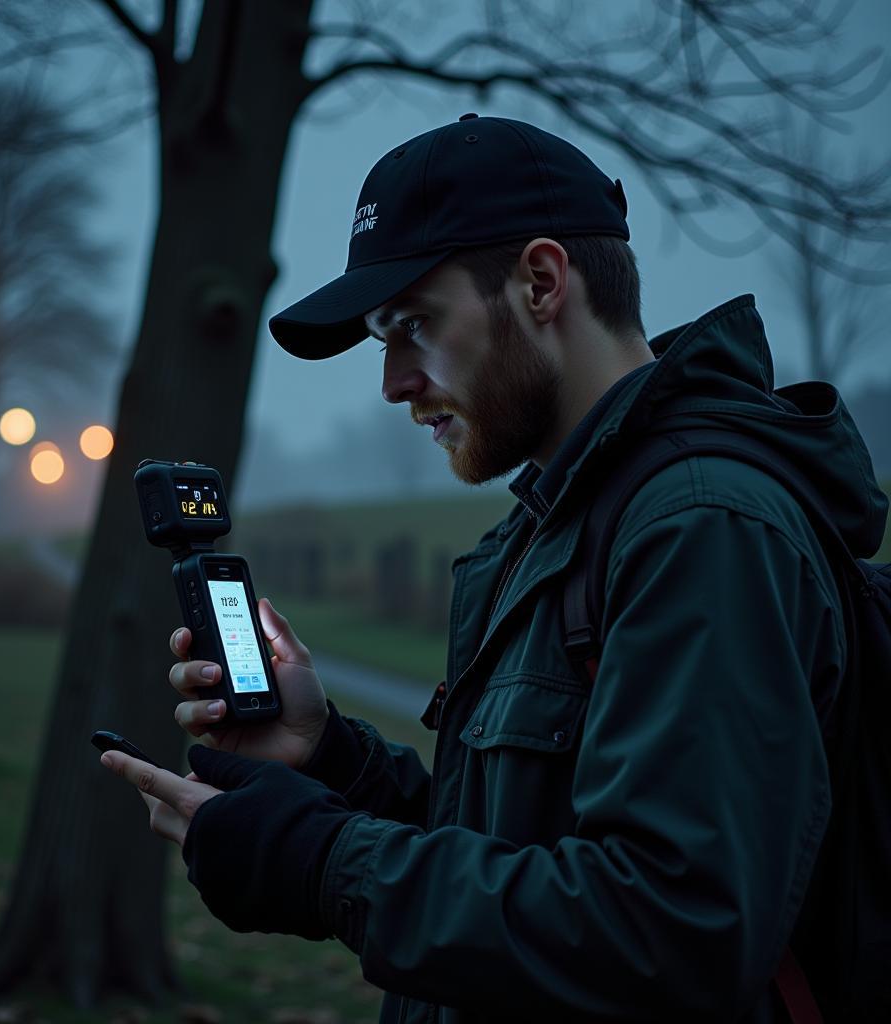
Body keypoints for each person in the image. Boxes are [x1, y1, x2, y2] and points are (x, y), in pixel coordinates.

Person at [99, 115, 889, 1022]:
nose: (393, 381)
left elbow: (674, 928)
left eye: (412, 326)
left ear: (541, 282)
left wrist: (323, 864)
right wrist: (334, 764)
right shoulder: (559, 526)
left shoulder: (700, 527)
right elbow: (523, 844)